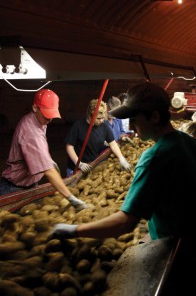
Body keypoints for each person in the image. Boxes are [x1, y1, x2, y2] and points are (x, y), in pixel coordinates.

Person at [49, 82, 196, 243]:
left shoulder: (154, 158)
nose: (131, 127)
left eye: (134, 120)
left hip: (171, 244)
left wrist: (74, 230)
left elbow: (125, 223)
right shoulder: (188, 141)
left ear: (154, 117)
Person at [0, 89, 88, 212]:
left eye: (52, 115)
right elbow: (48, 171)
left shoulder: (39, 120)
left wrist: (49, 160)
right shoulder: (31, 132)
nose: (50, 120)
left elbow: (41, 150)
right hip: (14, 188)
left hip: (29, 184)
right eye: (47, 115)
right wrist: (71, 198)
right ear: (35, 108)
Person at [65, 98, 131, 176]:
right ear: (90, 115)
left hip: (92, 166)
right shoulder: (78, 126)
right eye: (99, 118)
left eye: (103, 118)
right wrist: (79, 163)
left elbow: (112, 143)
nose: (102, 120)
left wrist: (121, 158)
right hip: (75, 168)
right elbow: (69, 146)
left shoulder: (104, 126)